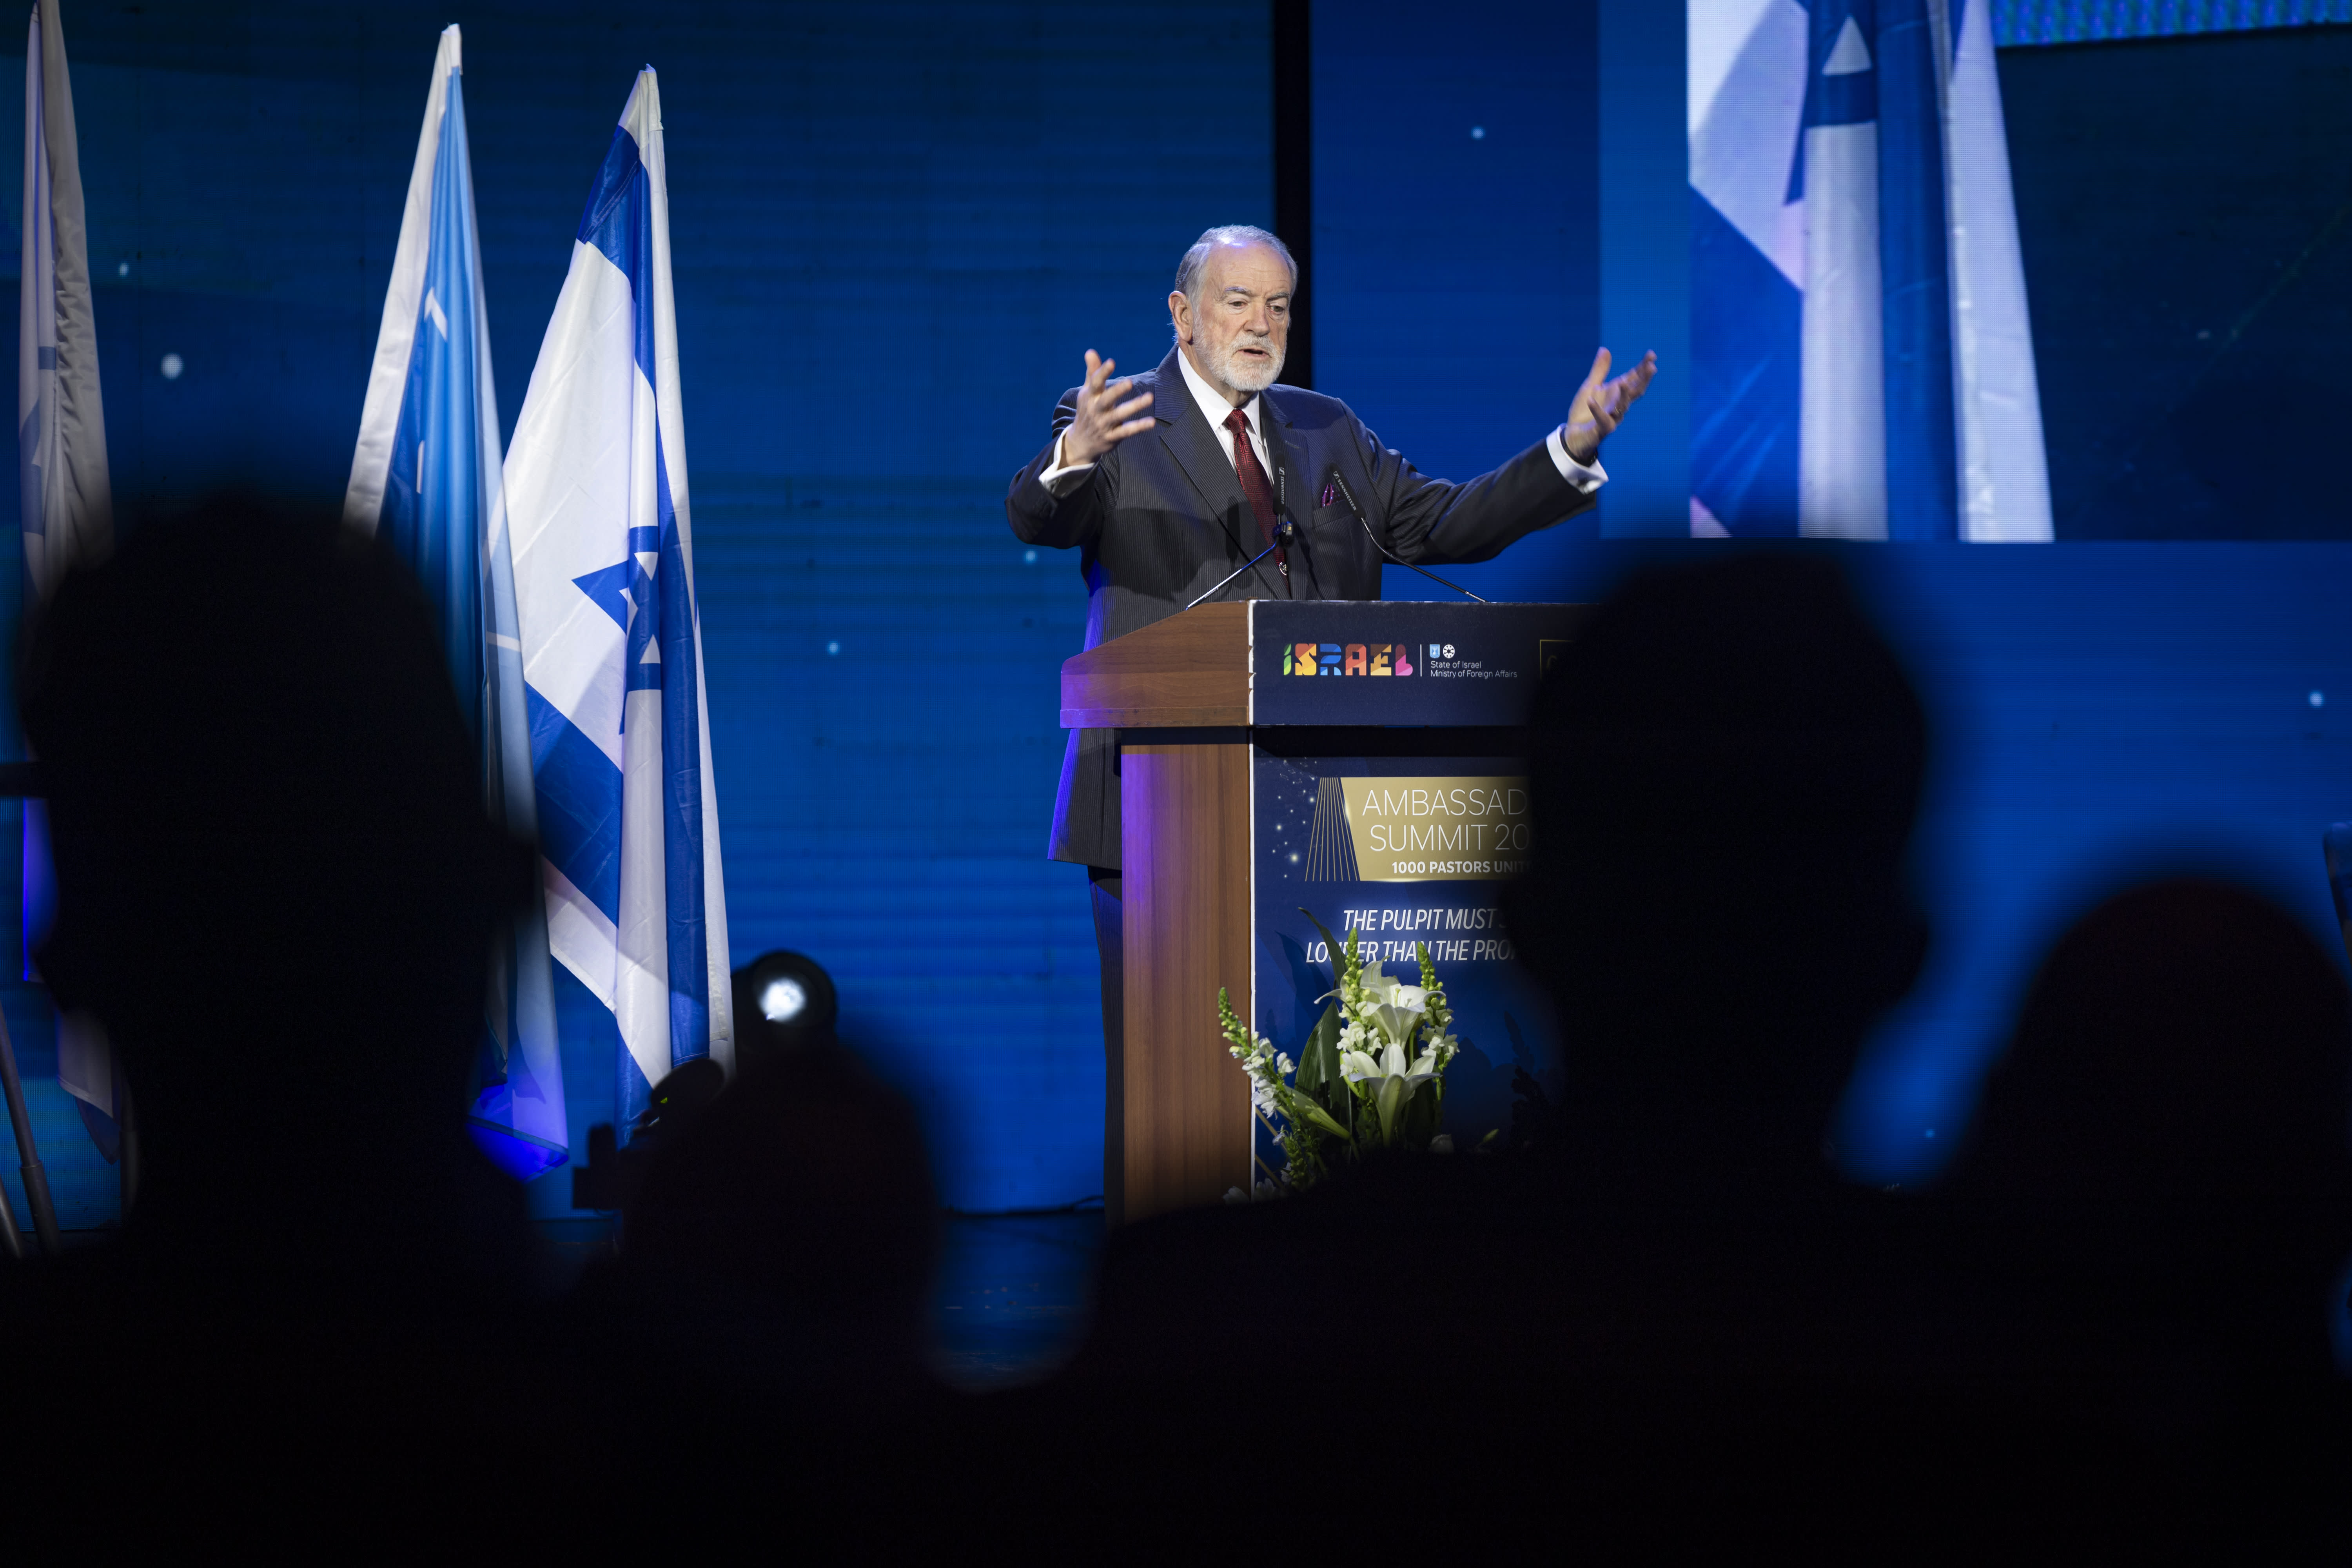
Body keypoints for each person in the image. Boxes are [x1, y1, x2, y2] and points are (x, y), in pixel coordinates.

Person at [1004, 223, 1656, 1203]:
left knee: (1336, 1066)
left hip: (1331, 812)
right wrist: (1070, 454)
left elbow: (1442, 523)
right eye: (1238, 301)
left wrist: (1568, 452)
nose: (1262, 324)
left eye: (1279, 305)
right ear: (1182, 313)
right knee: (1173, 1086)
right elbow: (1041, 515)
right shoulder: (1116, 420)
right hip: (1158, 803)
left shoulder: (1327, 429)